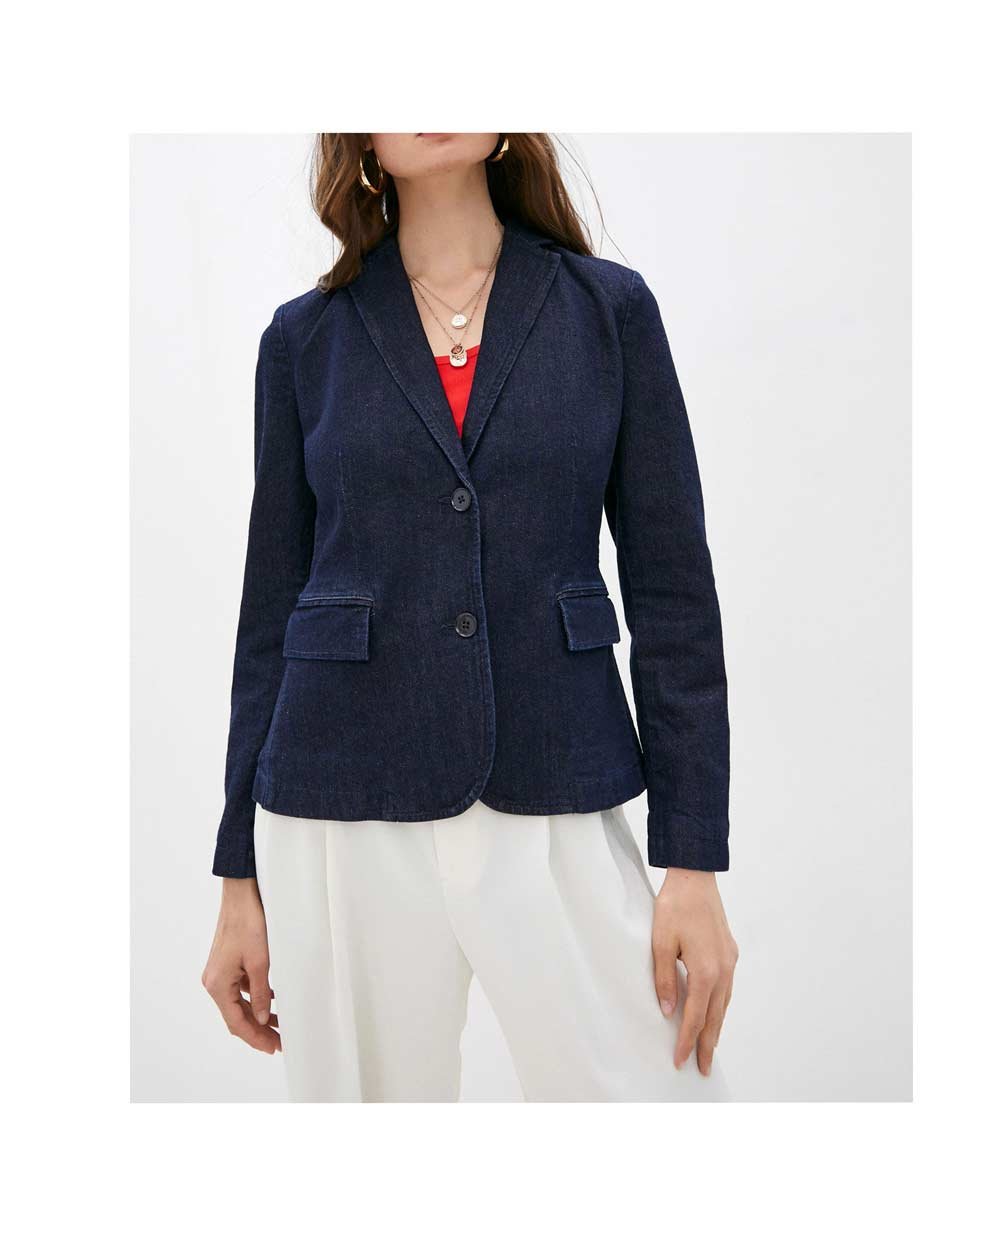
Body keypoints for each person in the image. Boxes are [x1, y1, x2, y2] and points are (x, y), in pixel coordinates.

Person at [202, 133, 738, 1102]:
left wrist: (691, 857)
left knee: (652, 1100)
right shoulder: (305, 339)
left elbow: (675, 597)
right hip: (338, 791)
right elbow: (268, 612)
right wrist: (238, 873)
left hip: (555, 769)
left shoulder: (607, 310)